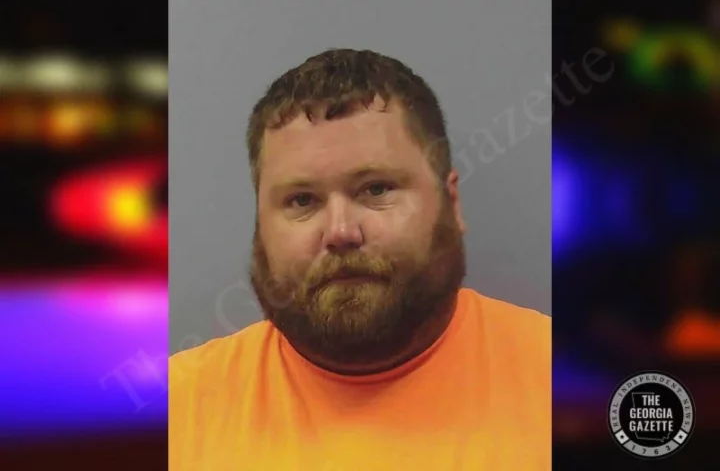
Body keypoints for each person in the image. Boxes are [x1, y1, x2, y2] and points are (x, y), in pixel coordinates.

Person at [169, 48, 550, 470]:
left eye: (376, 189)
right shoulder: (174, 413)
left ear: (452, 201)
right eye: (302, 200)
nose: (341, 232)